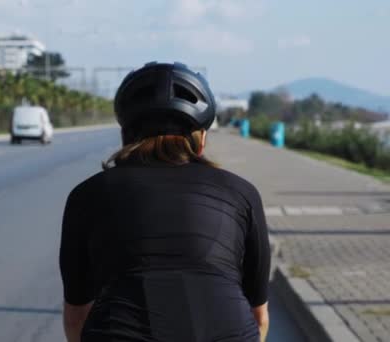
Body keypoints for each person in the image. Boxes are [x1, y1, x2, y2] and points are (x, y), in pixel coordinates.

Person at [59, 62, 270, 342]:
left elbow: (76, 316)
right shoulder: (242, 193)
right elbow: (259, 317)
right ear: (202, 139)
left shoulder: (86, 194)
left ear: (125, 135)